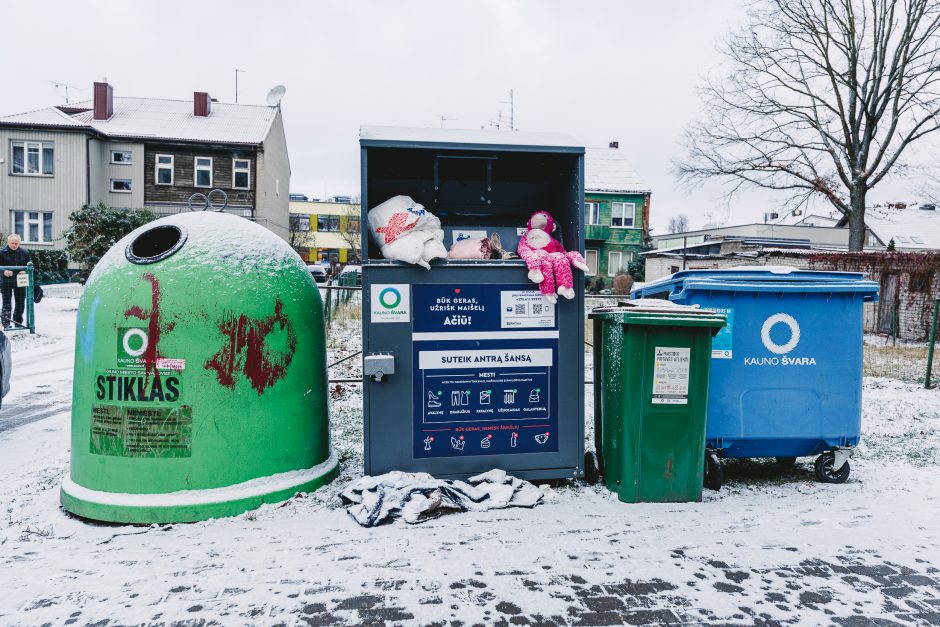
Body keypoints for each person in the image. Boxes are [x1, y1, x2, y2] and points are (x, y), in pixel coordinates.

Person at [0, 234, 31, 329]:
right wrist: (4, 271)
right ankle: (6, 324)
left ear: (19, 243)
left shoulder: (25, 252)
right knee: (7, 303)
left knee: (20, 302)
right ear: (8, 243)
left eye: (16, 243)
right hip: (6, 281)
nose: (14, 245)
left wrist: (25, 270)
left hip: (20, 281)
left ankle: (18, 322)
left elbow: (30, 264)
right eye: (12, 243)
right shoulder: (2, 252)